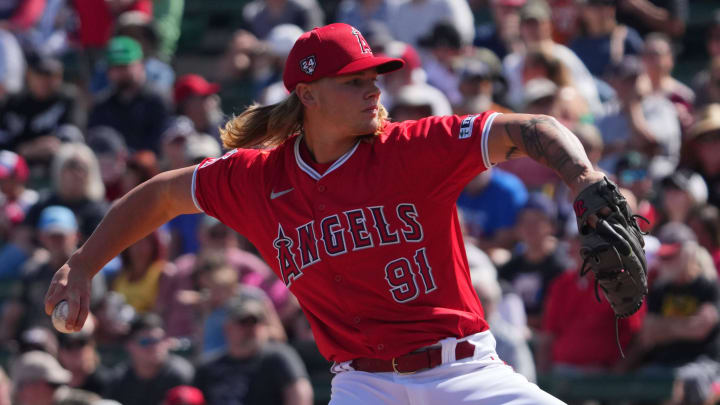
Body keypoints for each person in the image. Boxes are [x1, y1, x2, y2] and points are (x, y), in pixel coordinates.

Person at [46, 23, 620, 404]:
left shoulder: (413, 147)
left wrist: (584, 178)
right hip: (362, 384)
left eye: (374, 78)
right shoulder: (255, 179)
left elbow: (529, 129)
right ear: (309, 94)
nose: (374, 91)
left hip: (463, 373)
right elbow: (160, 195)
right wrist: (83, 264)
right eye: (355, 82)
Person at [194, 297, 313, 405]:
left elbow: (300, 392)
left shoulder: (278, 357)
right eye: (243, 322)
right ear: (227, 327)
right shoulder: (209, 366)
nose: (251, 328)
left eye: (255, 322)